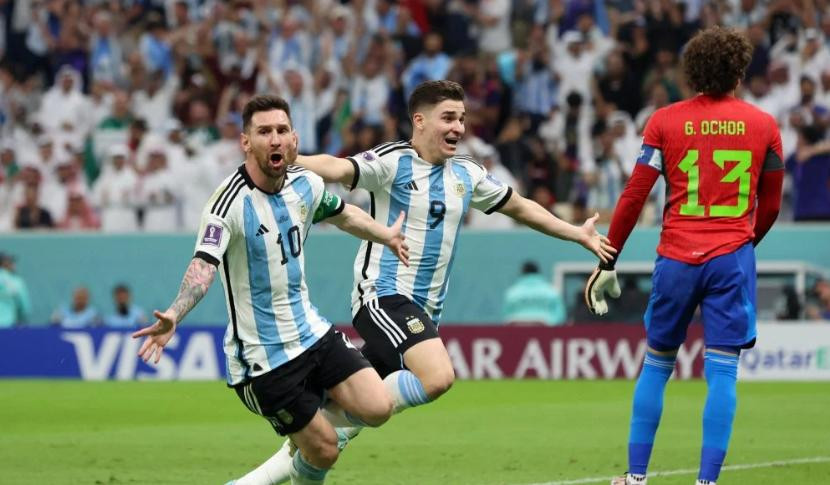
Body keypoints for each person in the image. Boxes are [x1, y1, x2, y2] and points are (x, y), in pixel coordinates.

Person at [261, 79, 614, 480]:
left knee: (342, 417)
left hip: (423, 314)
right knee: (437, 377)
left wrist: (577, 233)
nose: (458, 128)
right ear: (420, 121)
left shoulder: (467, 173)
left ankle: (303, 447)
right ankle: (332, 428)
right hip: (383, 297)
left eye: (462, 119)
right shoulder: (394, 161)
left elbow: (521, 207)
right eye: (448, 118)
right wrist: (290, 160)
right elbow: (340, 168)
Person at [131, 94, 412, 485]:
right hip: (263, 360)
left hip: (311, 333)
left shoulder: (306, 184)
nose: (275, 139)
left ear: (294, 138)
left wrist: (386, 235)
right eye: (264, 132)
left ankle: (298, 442)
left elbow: (343, 214)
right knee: (326, 450)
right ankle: (305, 443)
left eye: (281, 130)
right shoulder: (227, 203)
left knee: (378, 407)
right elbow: (203, 268)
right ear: (246, 142)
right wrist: (175, 314)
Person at [585, 27, 784, 485]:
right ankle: (707, 481)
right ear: (739, 69)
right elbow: (770, 205)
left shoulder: (664, 122)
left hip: (676, 256)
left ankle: (636, 477)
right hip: (731, 254)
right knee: (722, 372)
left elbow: (635, 196)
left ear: (690, 71)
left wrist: (607, 258)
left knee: (657, 363)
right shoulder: (763, 125)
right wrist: (744, 243)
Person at [502, 261, 566, 326]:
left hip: (516, 334)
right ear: (538, 273)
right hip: (546, 333)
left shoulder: (512, 293)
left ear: (522, 273)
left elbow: (505, 316)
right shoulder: (551, 292)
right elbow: (560, 316)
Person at [0, 253, 31, 327]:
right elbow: (25, 307)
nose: (14, 265)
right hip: (9, 326)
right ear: (5, 264)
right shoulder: (15, 282)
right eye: (11, 262)